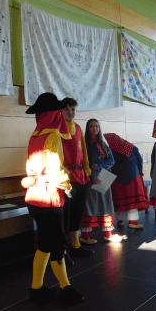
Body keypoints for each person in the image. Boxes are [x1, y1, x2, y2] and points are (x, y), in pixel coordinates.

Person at [22, 92, 84, 306]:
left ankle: (36, 288)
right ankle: (65, 288)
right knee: (58, 245)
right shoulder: (53, 136)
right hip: (49, 198)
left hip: (34, 197)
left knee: (45, 243)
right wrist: (67, 185)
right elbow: (55, 171)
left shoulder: (35, 136)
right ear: (54, 114)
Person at [60, 97, 94, 258]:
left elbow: (84, 151)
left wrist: (86, 169)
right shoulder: (57, 128)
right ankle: (62, 249)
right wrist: (62, 170)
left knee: (78, 211)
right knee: (65, 214)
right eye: (67, 109)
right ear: (61, 111)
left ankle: (76, 244)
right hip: (66, 178)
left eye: (73, 109)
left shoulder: (79, 128)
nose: (70, 112)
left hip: (81, 176)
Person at [80, 119, 121, 244]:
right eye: (92, 126)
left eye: (97, 126)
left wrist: (100, 165)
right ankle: (85, 236)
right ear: (88, 128)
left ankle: (108, 234)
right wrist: (91, 176)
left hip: (103, 175)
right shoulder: (84, 144)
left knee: (106, 204)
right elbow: (81, 163)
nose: (95, 128)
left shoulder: (102, 144)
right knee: (90, 205)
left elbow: (111, 161)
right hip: (90, 177)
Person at [104, 133, 150, 229]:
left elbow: (108, 165)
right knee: (132, 201)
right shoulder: (131, 147)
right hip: (133, 177)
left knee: (120, 200)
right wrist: (140, 173)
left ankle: (120, 220)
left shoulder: (110, 150)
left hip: (117, 179)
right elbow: (139, 160)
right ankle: (132, 222)